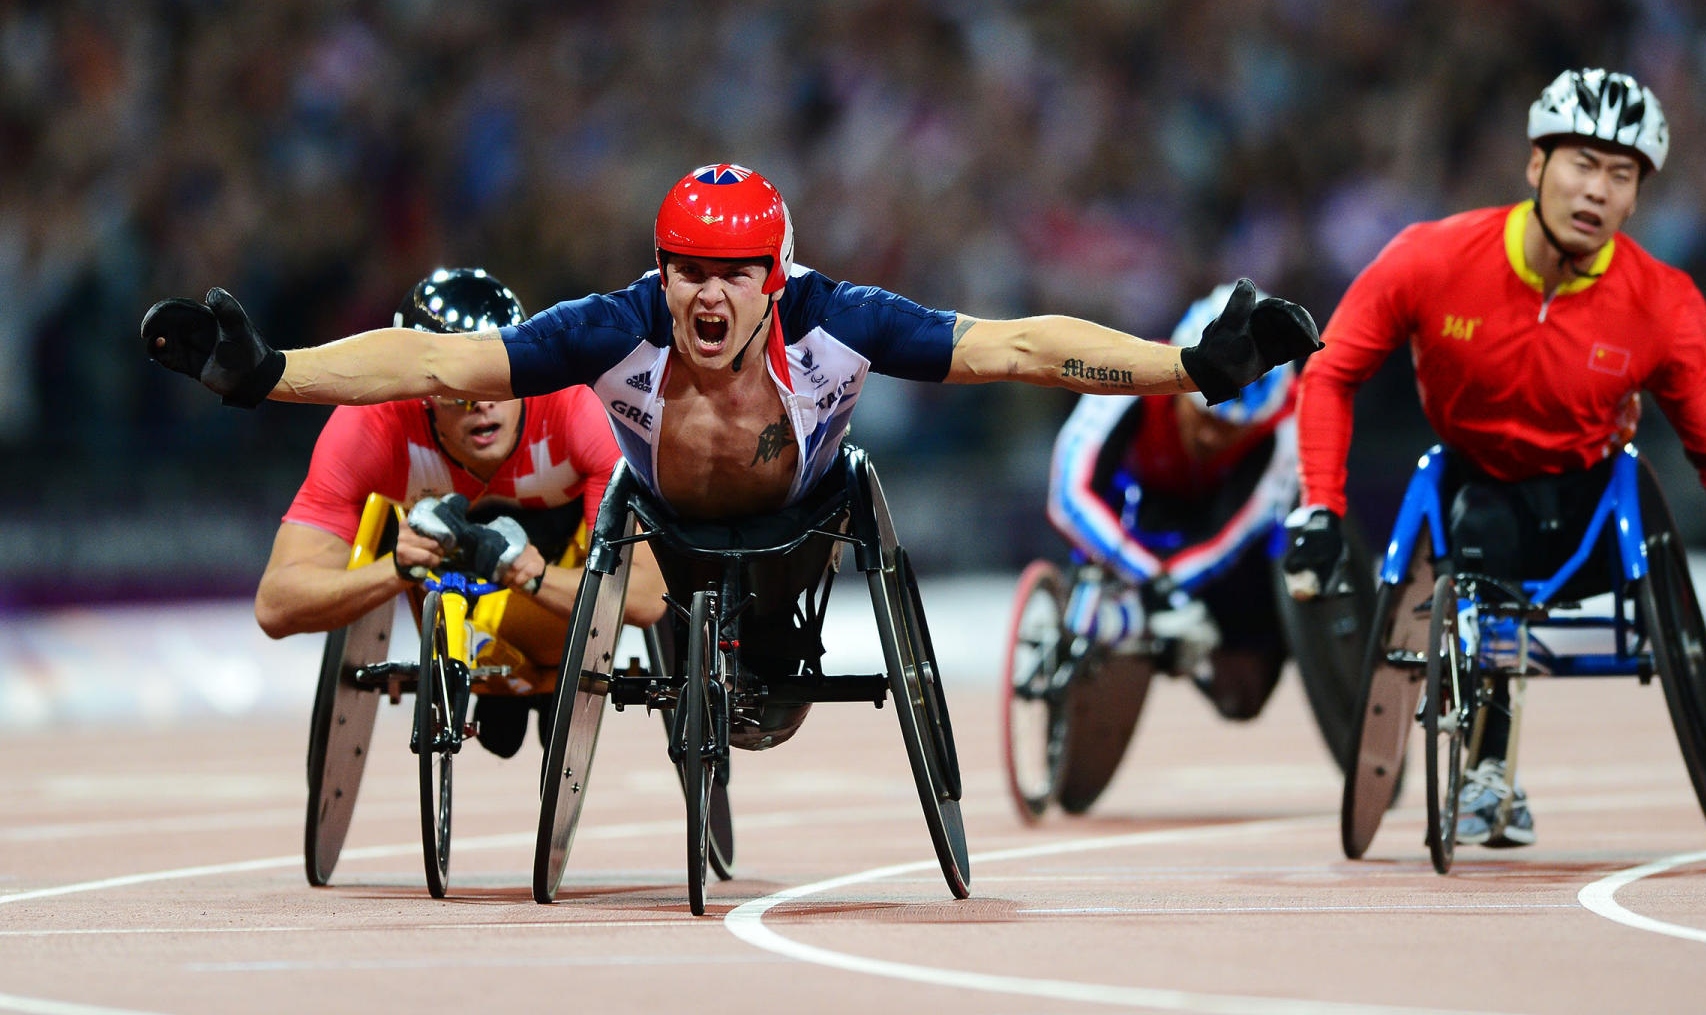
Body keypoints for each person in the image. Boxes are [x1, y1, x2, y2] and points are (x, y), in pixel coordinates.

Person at [145, 162, 1322, 747]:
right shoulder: (613, 327)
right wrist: (272, 373)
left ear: (777, 272)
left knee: (773, 666)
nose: (709, 296)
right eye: (688, 271)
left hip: (797, 534)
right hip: (664, 535)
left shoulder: (840, 319)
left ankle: (752, 646)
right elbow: (441, 366)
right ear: (659, 268)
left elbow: (1017, 344)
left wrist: (1187, 367)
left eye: (735, 273)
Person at [1281, 68, 1706, 848]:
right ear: (1535, 167)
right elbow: (1329, 372)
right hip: (1474, 487)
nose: (1597, 191)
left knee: (1520, 516)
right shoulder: (1430, 259)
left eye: (1620, 175)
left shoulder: (1663, 304)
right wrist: (1320, 508)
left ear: (1637, 198)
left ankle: (1492, 728)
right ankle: (1488, 769)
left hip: (1590, 507)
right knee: (1481, 519)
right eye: (1581, 164)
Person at [253, 267, 665, 760]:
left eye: (495, 380)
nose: (482, 405)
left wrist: (526, 572)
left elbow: (644, 599)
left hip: (556, 586)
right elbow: (276, 606)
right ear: (419, 391)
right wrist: (395, 568)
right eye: (458, 389)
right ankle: (478, 647)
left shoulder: (577, 410)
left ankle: (522, 657)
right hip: (437, 579)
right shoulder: (372, 428)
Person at [1046, 283, 1301, 720]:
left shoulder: (1284, 424)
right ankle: (1106, 604)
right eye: (1202, 414)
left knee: (1242, 698)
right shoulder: (1135, 370)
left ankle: (1193, 646)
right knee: (1108, 502)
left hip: (1222, 524)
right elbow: (1069, 496)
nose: (1208, 436)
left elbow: (1232, 533)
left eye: (1228, 430)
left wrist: (1172, 588)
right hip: (1137, 505)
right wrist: (1151, 582)